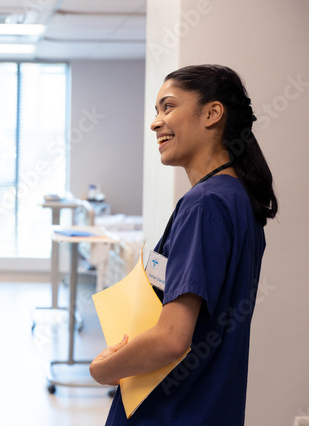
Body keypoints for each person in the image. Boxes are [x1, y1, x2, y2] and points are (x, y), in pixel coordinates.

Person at [89, 64, 278, 425]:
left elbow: (172, 338)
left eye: (168, 106)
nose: (156, 122)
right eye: (156, 111)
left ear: (212, 114)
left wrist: (103, 370)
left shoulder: (205, 205)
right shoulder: (238, 199)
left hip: (173, 410)